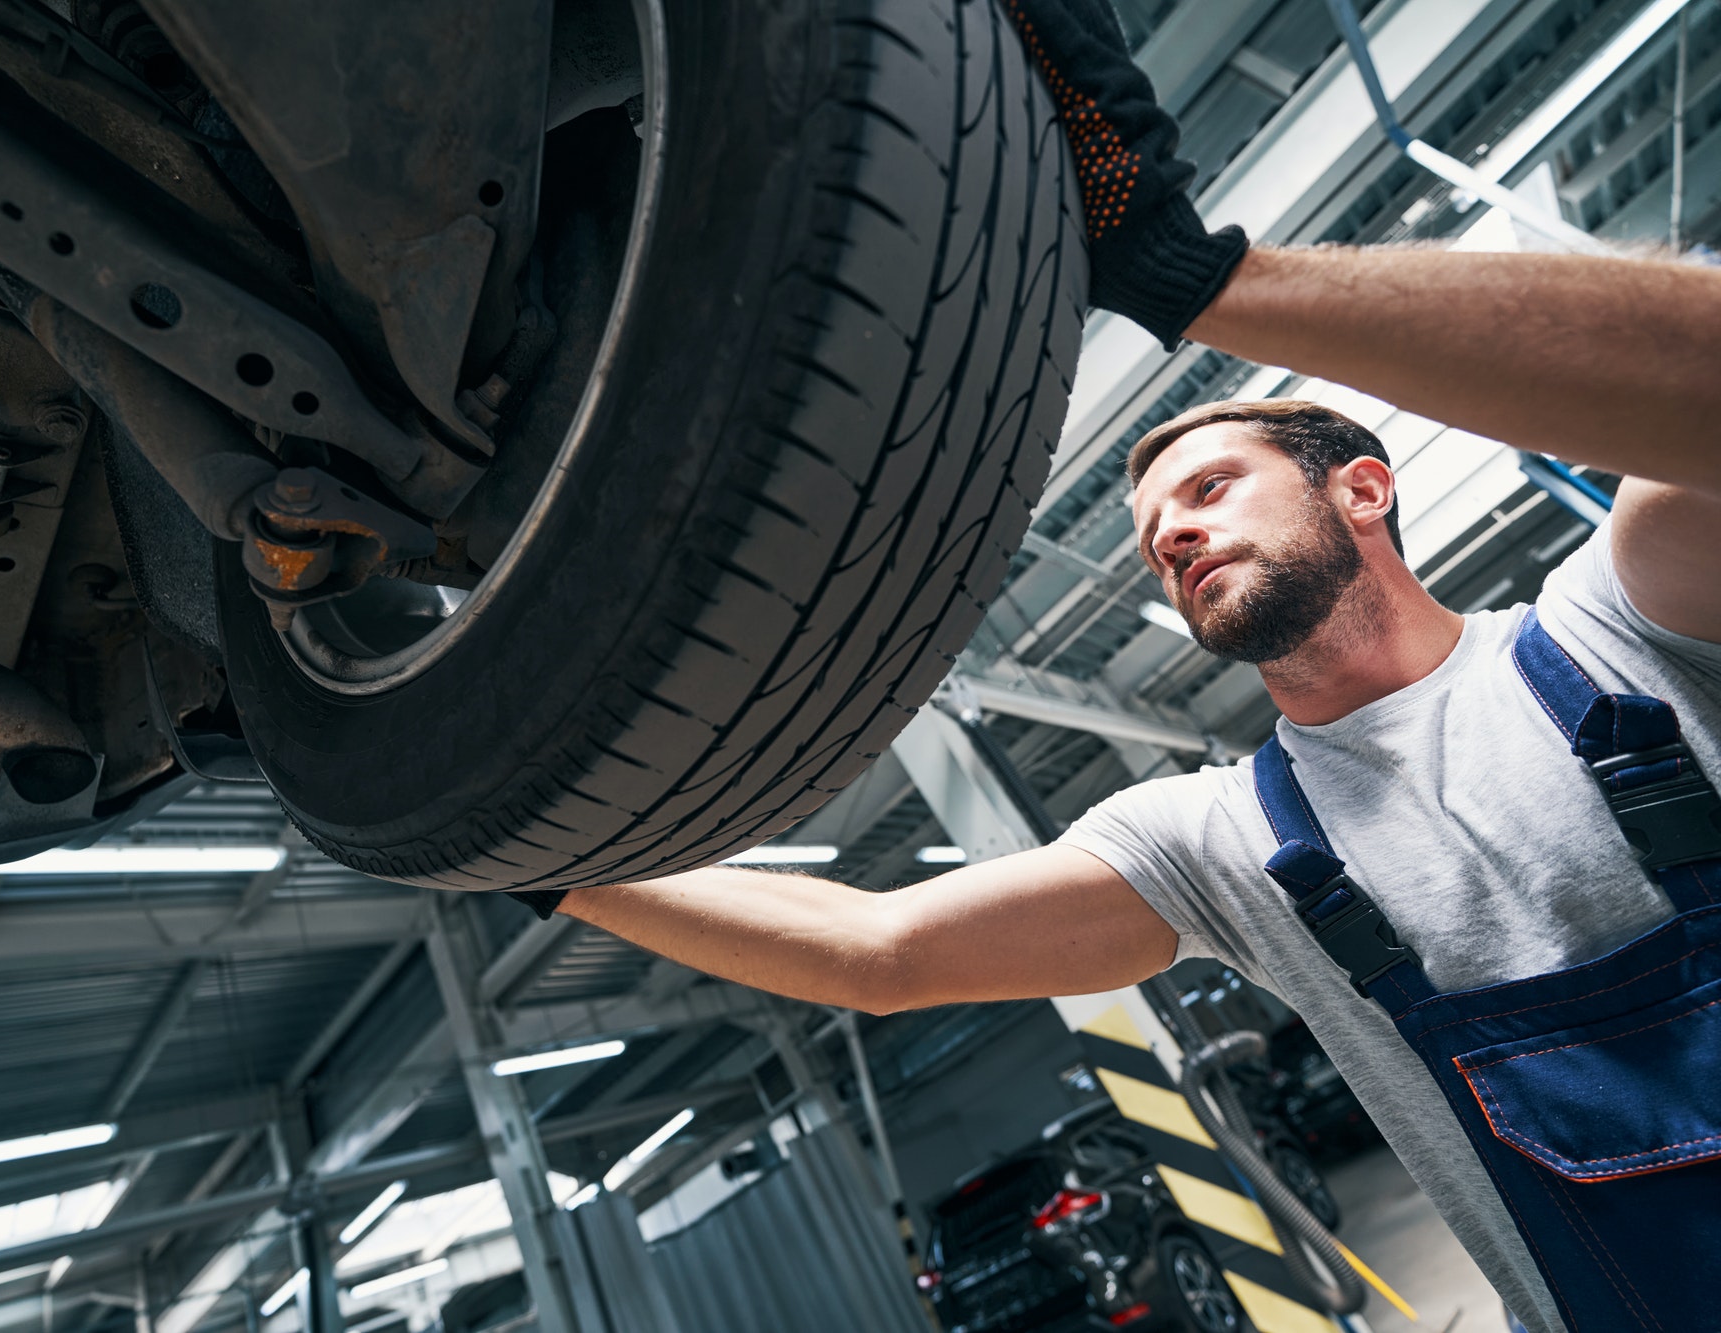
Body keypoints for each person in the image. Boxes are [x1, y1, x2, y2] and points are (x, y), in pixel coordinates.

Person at [506, 3, 1721, 1329]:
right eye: (1152, 539)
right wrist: (532, 857)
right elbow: (879, 947)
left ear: (1364, 487)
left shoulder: (1620, 628)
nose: (1176, 533)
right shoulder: (1224, 838)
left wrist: (1198, 279)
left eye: (1210, 486)